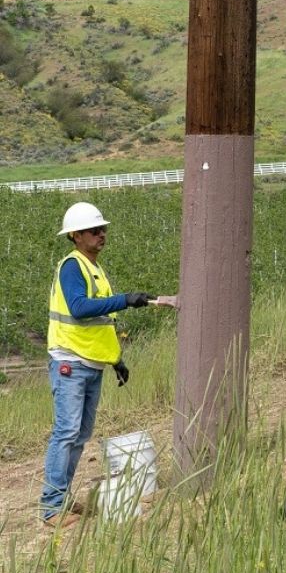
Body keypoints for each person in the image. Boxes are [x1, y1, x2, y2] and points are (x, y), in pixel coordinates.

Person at [40, 201, 173, 529]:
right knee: (67, 432)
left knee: (80, 434)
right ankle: (51, 507)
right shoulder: (73, 266)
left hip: (91, 364)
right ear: (76, 235)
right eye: (94, 230)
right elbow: (79, 308)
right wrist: (127, 299)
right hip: (70, 362)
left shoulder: (93, 267)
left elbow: (99, 323)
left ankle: (63, 497)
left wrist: (116, 360)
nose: (102, 234)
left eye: (103, 229)